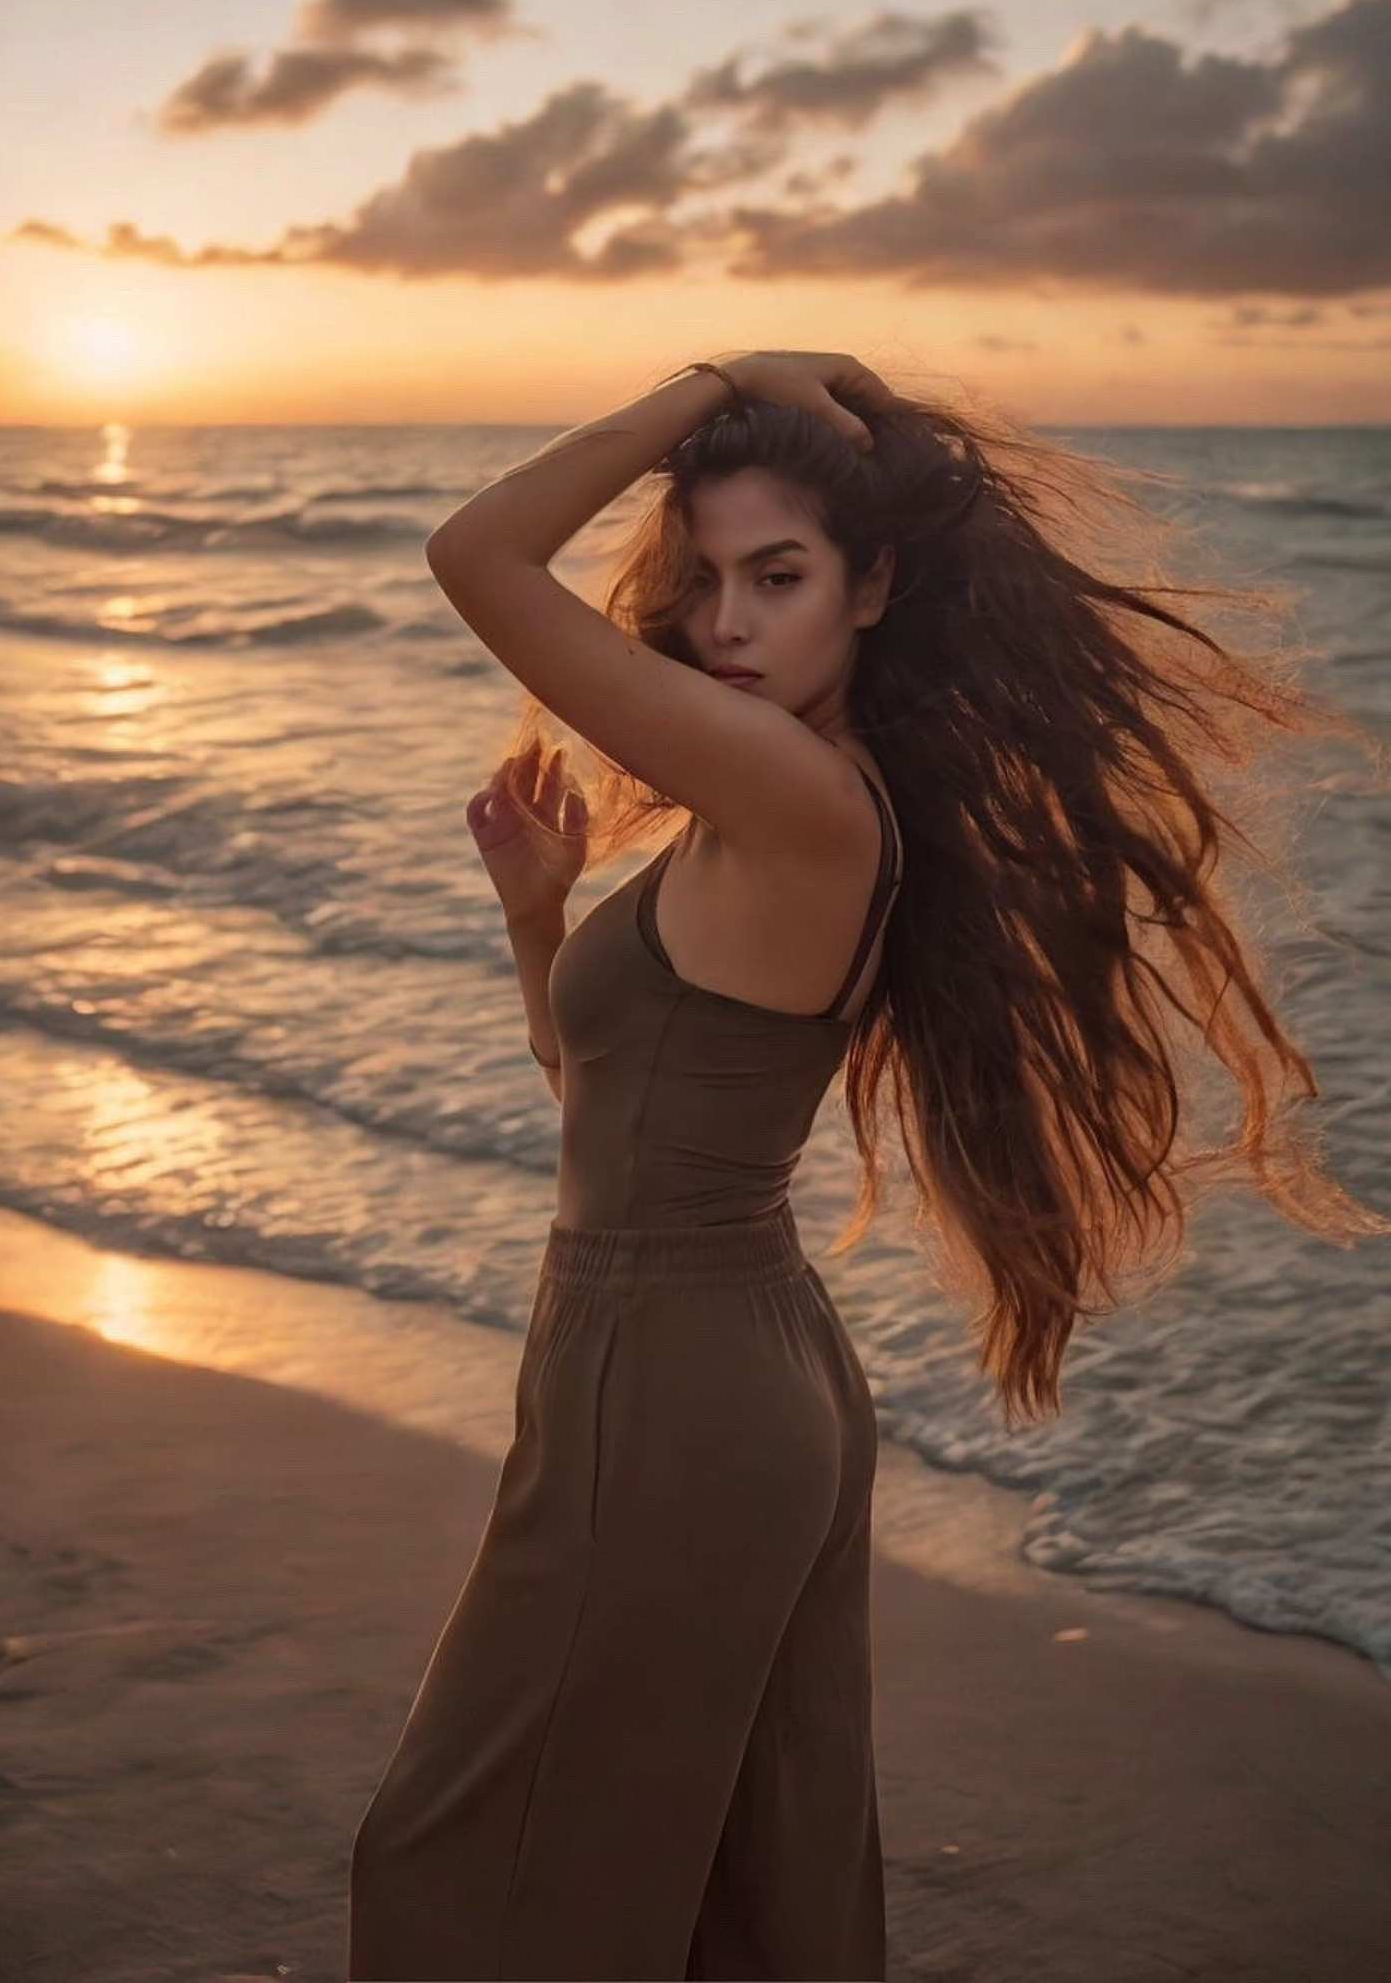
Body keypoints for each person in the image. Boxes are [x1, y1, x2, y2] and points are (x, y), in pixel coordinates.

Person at [348, 352, 1386, 1980]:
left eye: (779, 576)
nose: (727, 624)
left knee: (476, 1871)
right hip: (721, 1361)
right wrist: (537, 915)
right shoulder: (775, 803)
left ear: (874, 584)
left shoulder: (795, 795)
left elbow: (474, 555)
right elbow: (599, 1089)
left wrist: (708, 385)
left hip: (675, 1380)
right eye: (703, 584)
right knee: (741, 1886)